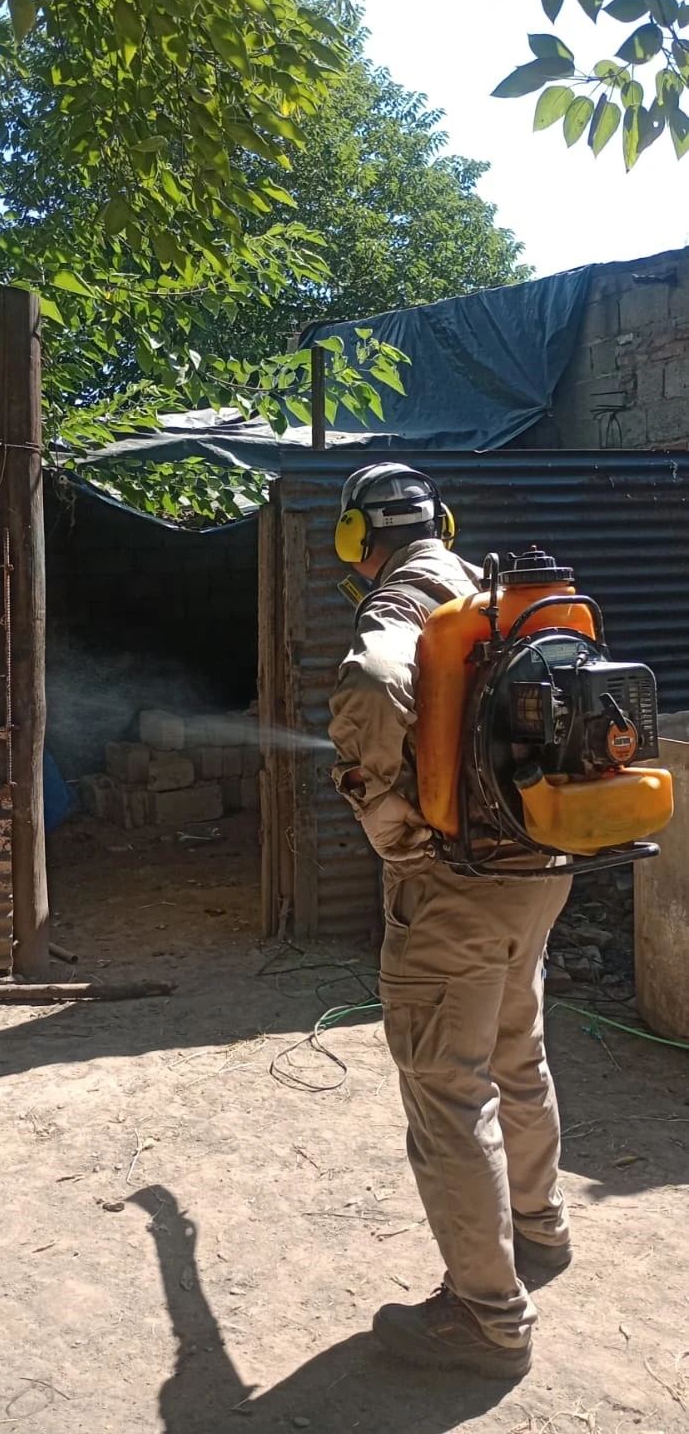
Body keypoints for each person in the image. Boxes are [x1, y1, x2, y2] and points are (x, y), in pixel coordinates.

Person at [328, 462, 572, 1382]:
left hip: (457, 889)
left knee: (447, 1089)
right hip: (539, 870)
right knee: (518, 1048)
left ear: (358, 538)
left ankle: (486, 1316)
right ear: (443, 521)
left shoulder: (400, 611)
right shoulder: (494, 593)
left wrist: (396, 837)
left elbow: (372, 679)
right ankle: (538, 1227)